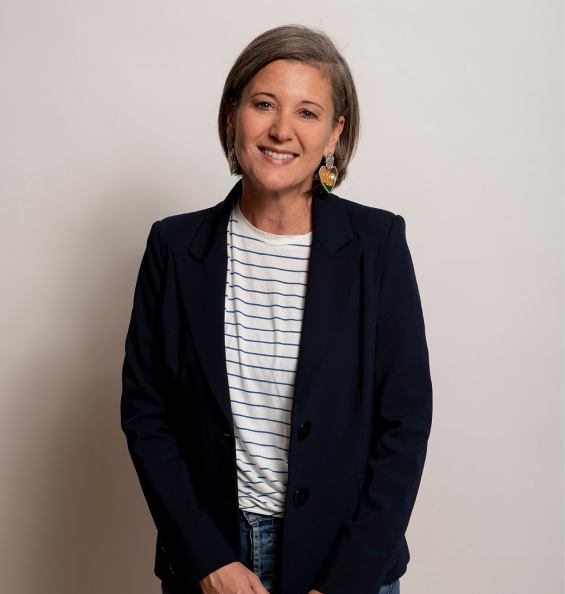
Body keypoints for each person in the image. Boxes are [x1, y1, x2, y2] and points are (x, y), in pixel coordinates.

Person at [121, 24, 432, 594]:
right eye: (264, 104)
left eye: (308, 112)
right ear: (232, 115)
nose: (282, 130)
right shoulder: (173, 247)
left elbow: (404, 424)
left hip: (344, 562)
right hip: (211, 560)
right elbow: (147, 413)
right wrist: (205, 558)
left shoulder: (378, 244)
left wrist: (346, 581)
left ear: (334, 134)